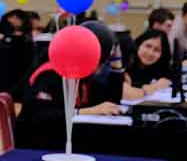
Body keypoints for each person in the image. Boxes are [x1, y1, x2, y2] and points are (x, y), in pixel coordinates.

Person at [14, 20, 124, 150]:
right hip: (37, 144)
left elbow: (111, 104)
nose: (100, 67)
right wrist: (85, 111)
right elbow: (40, 117)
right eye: (101, 62)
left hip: (66, 138)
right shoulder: (50, 73)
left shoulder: (82, 74)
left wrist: (117, 67)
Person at [123, 29, 172, 99]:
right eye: (148, 46)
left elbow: (167, 80)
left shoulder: (160, 67)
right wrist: (148, 89)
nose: (150, 53)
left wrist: (154, 87)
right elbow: (127, 94)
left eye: (157, 50)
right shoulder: (124, 63)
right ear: (139, 44)